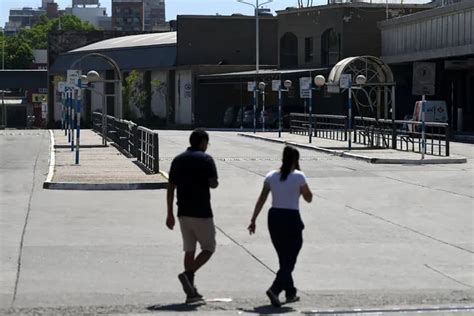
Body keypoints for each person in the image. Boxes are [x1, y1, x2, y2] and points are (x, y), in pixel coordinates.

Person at [248, 145, 313, 307]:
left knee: (284, 257)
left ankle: (290, 292)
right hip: (291, 218)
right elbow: (309, 198)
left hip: (274, 217)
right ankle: (275, 289)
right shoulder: (299, 176)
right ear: (295, 160)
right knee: (290, 257)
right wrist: (300, 186)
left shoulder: (271, 176)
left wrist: (253, 219)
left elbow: (261, 199)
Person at [166, 128, 218, 304]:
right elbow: (214, 184)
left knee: (189, 250)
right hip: (202, 212)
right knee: (209, 248)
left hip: (183, 212)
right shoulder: (206, 159)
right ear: (202, 142)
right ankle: (188, 276)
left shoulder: (178, 160)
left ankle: (191, 293)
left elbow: (171, 187)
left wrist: (169, 214)